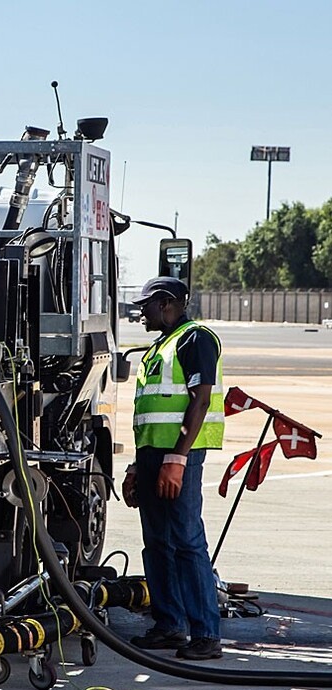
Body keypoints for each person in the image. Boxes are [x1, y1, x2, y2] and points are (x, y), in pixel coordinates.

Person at [123, 276, 225, 661]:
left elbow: (199, 402)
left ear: (166, 303)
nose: (141, 313)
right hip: (153, 455)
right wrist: (137, 465)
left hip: (179, 454)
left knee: (186, 540)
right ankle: (170, 625)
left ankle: (205, 634)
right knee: (158, 543)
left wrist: (178, 459)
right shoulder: (160, 346)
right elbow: (151, 412)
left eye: (145, 306)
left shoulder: (196, 339)